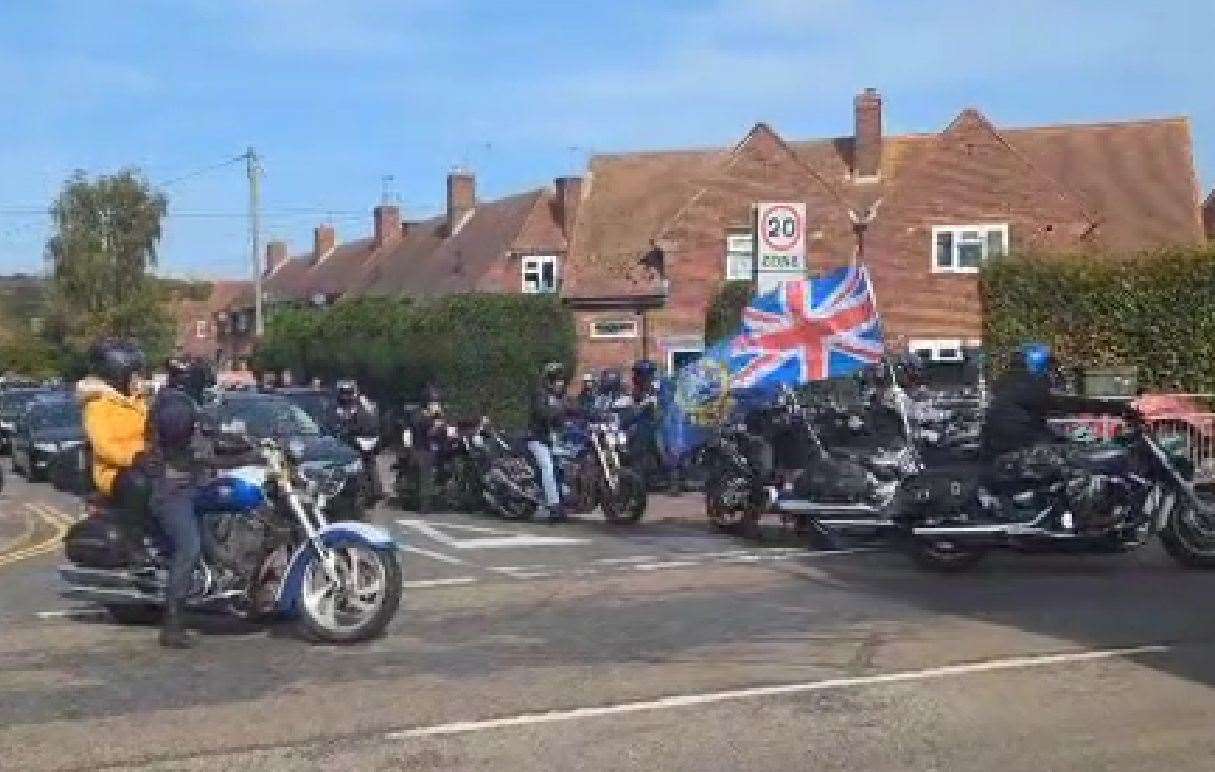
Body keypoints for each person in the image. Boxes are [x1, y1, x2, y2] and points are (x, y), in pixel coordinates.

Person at [528, 362, 568, 522]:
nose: (560, 382)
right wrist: (559, 411)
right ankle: (554, 506)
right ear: (549, 381)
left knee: (564, 465)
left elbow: (577, 409)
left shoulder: (561, 397)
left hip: (554, 441)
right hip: (537, 439)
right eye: (556, 379)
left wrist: (598, 415)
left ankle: (566, 497)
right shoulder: (540, 395)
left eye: (561, 379)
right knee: (547, 466)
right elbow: (542, 413)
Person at [334, 379, 383, 502]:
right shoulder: (366, 402)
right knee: (370, 463)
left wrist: (345, 428)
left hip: (360, 436)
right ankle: (375, 490)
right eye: (344, 393)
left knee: (357, 462)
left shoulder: (353, 404)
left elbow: (346, 420)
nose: (345, 396)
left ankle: (362, 490)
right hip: (372, 437)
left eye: (347, 393)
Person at [410, 383, 448, 513]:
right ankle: (425, 504)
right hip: (423, 448)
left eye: (437, 401)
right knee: (426, 473)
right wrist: (432, 418)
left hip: (439, 447)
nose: (435, 404)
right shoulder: (419, 414)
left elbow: (448, 427)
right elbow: (421, 428)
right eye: (432, 401)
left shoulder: (441, 414)